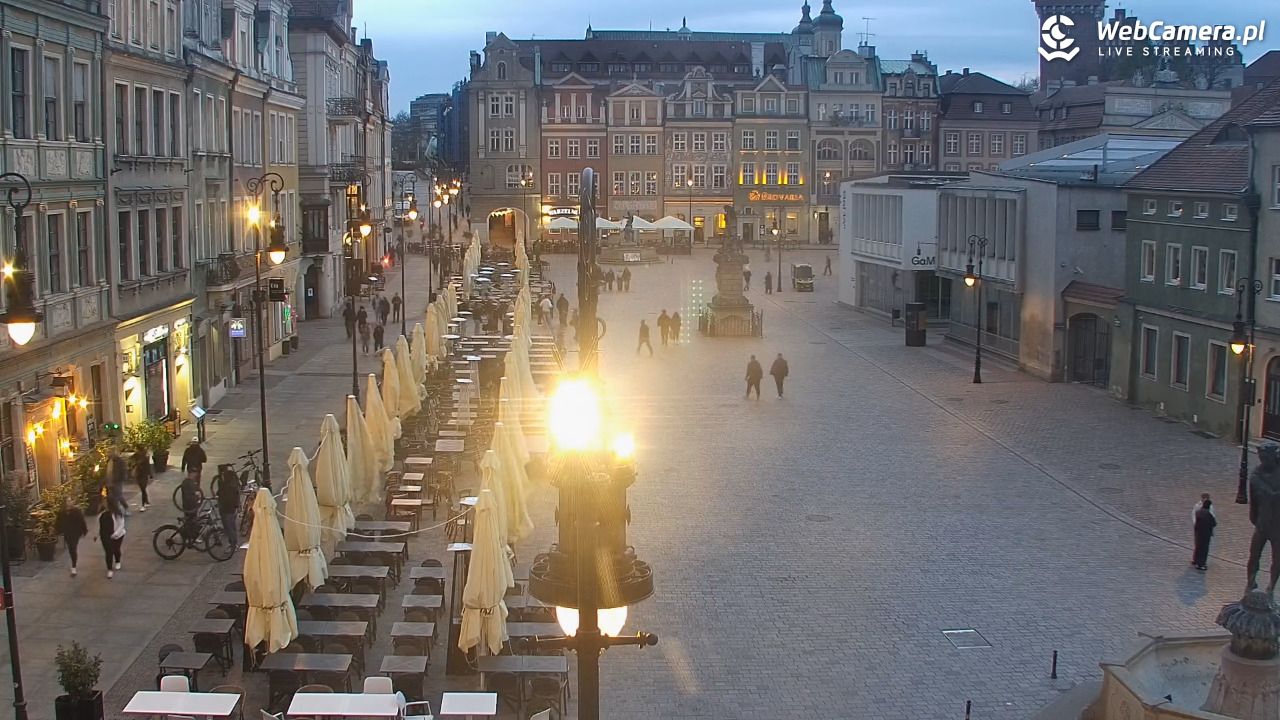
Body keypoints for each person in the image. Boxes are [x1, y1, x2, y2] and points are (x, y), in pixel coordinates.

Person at [56, 498, 88, 577]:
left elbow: (82, 521)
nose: (69, 502)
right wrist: (57, 531)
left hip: (75, 533)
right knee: (70, 548)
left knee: (73, 547)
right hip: (67, 533)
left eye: (71, 500)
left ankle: (74, 566)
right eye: (68, 501)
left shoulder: (77, 511)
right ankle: (73, 561)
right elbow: (58, 522)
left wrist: (84, 531)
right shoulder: (62, 512)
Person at [180, 439, 207, 520]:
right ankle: (196, 496)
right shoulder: (200, 450)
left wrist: (183, 467)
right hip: (198, 469)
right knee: (197, 484)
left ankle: (191, 494)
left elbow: (184, 459)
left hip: (190, 468)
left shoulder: (188, 450)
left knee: (189, 484)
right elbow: (204, 460)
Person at [216, 463, 241, 544]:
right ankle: (233, 543)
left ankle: (233, 544)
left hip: (226, 507)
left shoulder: (224, 482)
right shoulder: (231, 478)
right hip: (231, 506)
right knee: (231, 525)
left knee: (229, 526)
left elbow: (222, 493)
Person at [98, 502, 124, 579]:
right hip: (106, 535)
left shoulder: (117, 513)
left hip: (118, 535)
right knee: (108, 552)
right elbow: (99, 524)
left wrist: (116, 534)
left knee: (116, 549)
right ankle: (109, 569)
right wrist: (96, 534)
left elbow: (121, 525)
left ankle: (117, 561)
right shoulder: (102, 513)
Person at [1192, 498, 1217, 571]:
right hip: (1206, 534)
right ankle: (1201, 564)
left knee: (1198, 547)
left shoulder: (1198, 512)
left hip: (1198, 533)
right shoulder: (1208, 514)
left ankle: (1195, 560)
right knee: (1204, 549)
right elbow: (1214, 523)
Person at [105, 449, 128, 515]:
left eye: (109, 452)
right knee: (112, 496)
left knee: (118, 495)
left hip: (117, 481)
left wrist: (121, 478)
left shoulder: (119, 461)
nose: (108, 454)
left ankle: (125, 507)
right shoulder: (108, 461)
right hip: (109, 481)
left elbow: (123, 470)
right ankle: (116, 510)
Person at [131, 444, 152, 512]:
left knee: (143, 488)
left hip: (141, 474)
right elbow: (148, 466)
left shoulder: (142, 457)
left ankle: (143, 505)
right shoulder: (139, 455)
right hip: (141, 474)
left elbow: (147, 466)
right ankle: (146, 501)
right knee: (143, 488)